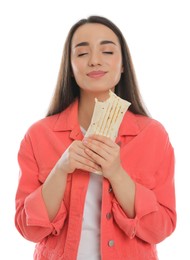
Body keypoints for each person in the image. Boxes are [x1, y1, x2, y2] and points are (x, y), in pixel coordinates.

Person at [14, 15, 176, 260]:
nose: (95, 60)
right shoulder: (39, 135)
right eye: (82, 54)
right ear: (70, 67)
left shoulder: (153, 135)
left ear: (123, 64)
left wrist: (117, 173)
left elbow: (161, 228)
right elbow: (28, 229)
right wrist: (60, 169)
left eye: (107, 51)